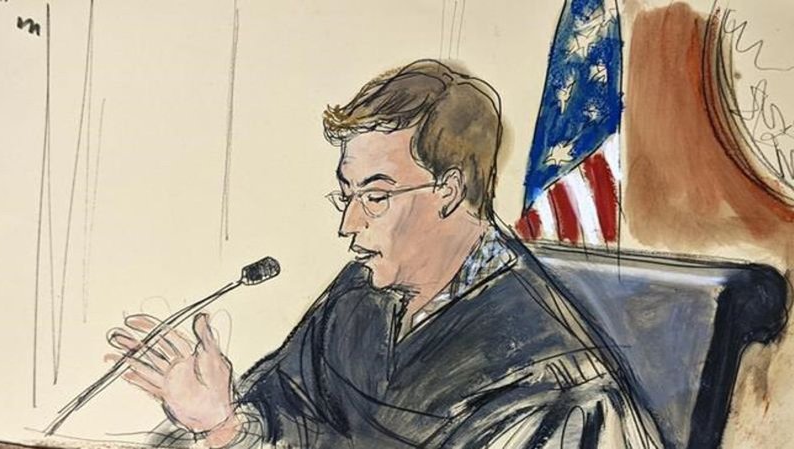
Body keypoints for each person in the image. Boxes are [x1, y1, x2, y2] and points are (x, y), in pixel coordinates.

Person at [106, 59, 661, 448]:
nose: (348, 224)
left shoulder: (552, 380)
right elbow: (284, 415)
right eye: (345, 197)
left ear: (449, 190)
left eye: (375, 197)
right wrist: (218, 420)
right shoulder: (361, 295)